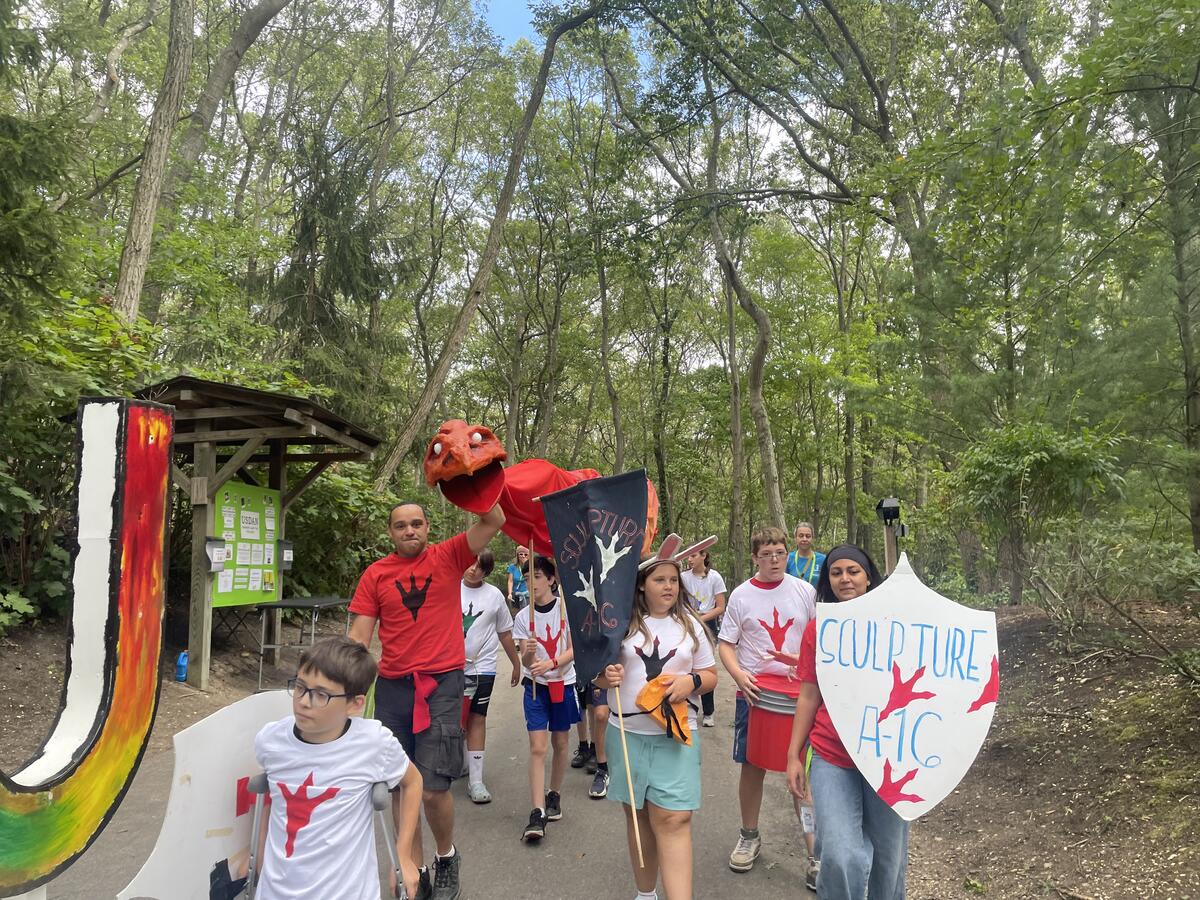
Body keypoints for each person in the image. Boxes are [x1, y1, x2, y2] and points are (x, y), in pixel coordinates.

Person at [349, 501, 504, 900]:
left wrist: (471, 480)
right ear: (390, 532)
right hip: (393, 688)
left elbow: (495, 519)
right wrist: (340, 686)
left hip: (442, 685)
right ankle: (412, 870)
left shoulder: (449, 556)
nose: (409, 530)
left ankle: (446, 856)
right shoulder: (376, 574)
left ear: (427, 527)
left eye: (416, 523)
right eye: (401, 525)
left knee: (433, 788)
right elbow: (359, 639)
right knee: (400, 787)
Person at [253, 636, 423, 900]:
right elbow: (272, 800)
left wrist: (404, 855)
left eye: (321, 695)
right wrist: (259, 858)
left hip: (346, 892)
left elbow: (412, 782)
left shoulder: (372, 743)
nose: (304, 701)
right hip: (276, 891)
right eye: (300, 687)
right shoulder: (271, 740)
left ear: (355, 704)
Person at [595, 549, 718, 900]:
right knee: (638, 817)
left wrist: (691, 682)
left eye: (674, 580)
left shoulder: (691, 625)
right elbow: (597, 677)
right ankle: (645, 894)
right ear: (640, 585)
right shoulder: (618, 624)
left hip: (676, 737)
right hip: (627, 735)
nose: (669, 586)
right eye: (660, 579)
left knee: (674, 819)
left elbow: (710, 675)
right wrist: (605, 677)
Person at [786, 545, 902, 900]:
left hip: (888, 757)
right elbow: (809, 695)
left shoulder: (896, 626)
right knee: (839, 855)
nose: (845, 579)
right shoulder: (818, 630)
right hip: (832, 755)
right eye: (836, 572)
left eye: (853, 571)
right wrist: (793, 755)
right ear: (827, 580)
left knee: (889, 859)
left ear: (869, 578)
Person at [718, 525, 816, 874]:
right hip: (755, 694)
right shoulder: (741, 595)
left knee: (802, 771)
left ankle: (815, 853)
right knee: (752, 765)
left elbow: (819, 639)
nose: (774, 560)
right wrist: (738, 675)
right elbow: (726, 643)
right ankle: (749, 835)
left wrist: (803, 665)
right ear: (755, 558)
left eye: (779, 553)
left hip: (800, 695)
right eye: (766, 555)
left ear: (787, 554)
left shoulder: (805, 591)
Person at [512, 554, 580, 841]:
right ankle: (537, 812)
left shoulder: (566, 609)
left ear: (552, 579)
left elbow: (574, 649)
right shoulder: (522, 617)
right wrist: (528, 654)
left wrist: (552, 663)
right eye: (527, 578)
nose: (532, 583)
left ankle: (554, 793)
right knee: (538, 748)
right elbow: (527, 663)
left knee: (560, 743)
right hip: (535, 687)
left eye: (537, 577)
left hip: (563, 684)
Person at [461, 549, 520, 805]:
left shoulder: (494, 595)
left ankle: (476, 780)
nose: (474, 569)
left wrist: (516, 663)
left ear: (487, 571)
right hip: (450, 667)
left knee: (477, 718)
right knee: (454, 719)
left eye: (480, 567)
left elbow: (504, 632)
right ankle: (460, 761)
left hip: (482, 667)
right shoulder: (448, 588)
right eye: (470, 563)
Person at [680, 548, 726, 727]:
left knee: (705, 668)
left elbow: (720, 607)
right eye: (687, 556)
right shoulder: (683, 577)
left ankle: (708, 712)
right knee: (684, 664)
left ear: (703, 556)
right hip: (685, 623)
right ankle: (684, 707)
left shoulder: (714, 577)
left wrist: (700, 619)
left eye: (693, 555)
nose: (689, 559)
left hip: (707, 623)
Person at [787, 522, 826, 587]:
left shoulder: (823, 559)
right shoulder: (788, 559)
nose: (804, 539)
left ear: (812, 539)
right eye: (801, 536)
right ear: (795, 538)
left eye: (808, 536)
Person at [506, 546, 530, 610]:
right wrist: (510, 593)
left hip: (528, 593)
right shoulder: (512, 567)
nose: (523, 556)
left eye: (525, 554)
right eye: (521, 554)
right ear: (517, 555)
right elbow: (510, 581)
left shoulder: (531, 566)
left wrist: (527, 565)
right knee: (517, 613)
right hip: (516, 594)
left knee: (529, 612)